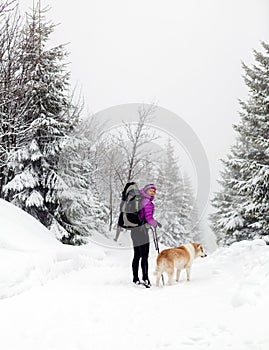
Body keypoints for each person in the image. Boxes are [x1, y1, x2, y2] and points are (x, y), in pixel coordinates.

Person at [130, 183, 161, 287]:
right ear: (146, 190)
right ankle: (145, 279)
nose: (152, 192)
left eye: (154, 191)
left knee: (137, 255)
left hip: (134, 231)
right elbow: (148, 218)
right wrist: (156, 224)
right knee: (144, 256)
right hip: (142, 231)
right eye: (151, 190)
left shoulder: (140, 200)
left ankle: (135, 278)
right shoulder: (146, 201)